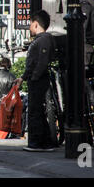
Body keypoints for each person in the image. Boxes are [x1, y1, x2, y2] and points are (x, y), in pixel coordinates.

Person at [14, 10, 56, 152]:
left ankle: (37, 142)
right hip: (36, 79)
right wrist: (23, 77)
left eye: (30, 24)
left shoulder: (43, 40)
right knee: (36, 111)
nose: (29, 27)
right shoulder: (40, 40)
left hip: (39, 81)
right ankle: (45, 142)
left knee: (35, 111)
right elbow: (32, 63)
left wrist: (34, 77)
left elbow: (41, 62)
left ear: (36, 24)